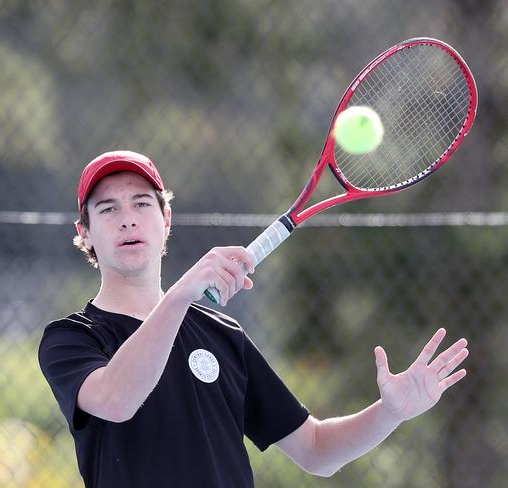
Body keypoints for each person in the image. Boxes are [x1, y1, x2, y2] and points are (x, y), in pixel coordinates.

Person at [38, 150, 469, 488]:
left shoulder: (224, 337)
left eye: (141, 203)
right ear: (85, 232)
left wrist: (389, 413)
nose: (128, 217)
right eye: (108, 209)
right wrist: (181, 296)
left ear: (166, 219)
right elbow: (116, 400)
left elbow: (316, 450)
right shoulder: (72, 338)